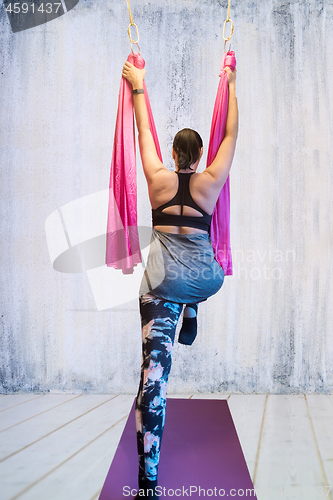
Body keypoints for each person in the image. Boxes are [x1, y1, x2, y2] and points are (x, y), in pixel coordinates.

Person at [122, 58, 238, 499]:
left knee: (154, 378)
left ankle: (147, 483)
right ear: (199, 153)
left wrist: (139, 86)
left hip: (160, 289)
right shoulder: (211, 182)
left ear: (174, 155)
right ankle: (191, 306)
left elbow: (142, 135)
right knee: (195, 282)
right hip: (203, 281)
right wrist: (230, 85)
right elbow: (231, 136)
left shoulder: (157, 181)